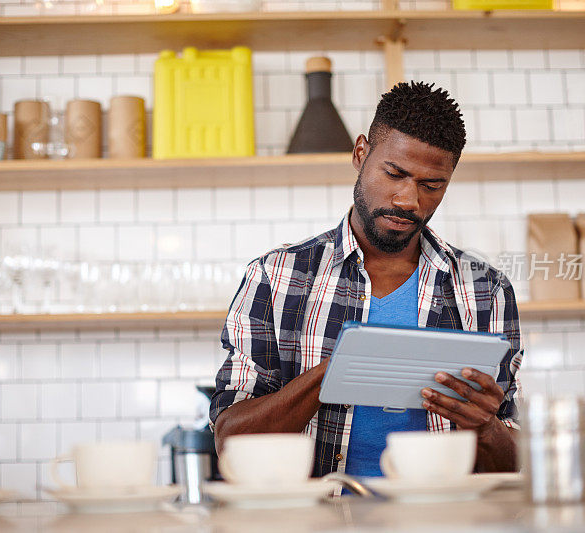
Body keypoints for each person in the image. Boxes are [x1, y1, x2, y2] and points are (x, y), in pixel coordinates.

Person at [209, 81, 523, 478]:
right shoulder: (277, 277)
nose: (408, 200)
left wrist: (486, 427)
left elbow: (514, 467)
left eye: (432, 185)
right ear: (361, 153)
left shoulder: (485, 290)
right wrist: (337, 371)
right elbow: (230, 440)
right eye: (394, 173)